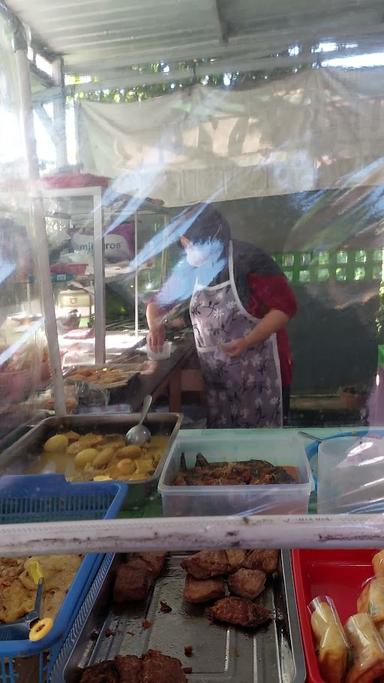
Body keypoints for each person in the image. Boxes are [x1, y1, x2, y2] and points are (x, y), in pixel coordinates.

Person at [146, 204, 297, 428]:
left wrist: (247, 340)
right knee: (225, 448)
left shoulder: (248, 259)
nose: (188, 250)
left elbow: (284, 308)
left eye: (191, 243)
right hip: (218, 377)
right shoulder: (189, 267)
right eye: (184, 245)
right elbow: (157, 304)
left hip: (261, 374)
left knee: (265, 444)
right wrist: (154, 325)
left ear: (211, 235)